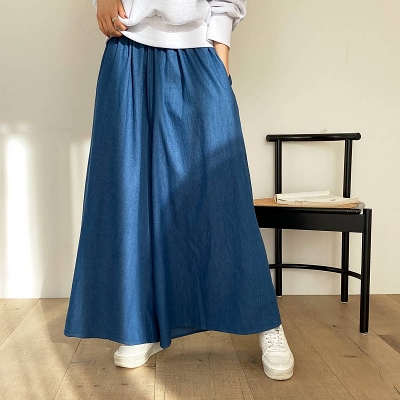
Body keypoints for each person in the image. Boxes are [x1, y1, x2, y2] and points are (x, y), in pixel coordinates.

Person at [64, 0, 294, 381]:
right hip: (128, 49)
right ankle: (141, 325)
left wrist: (220, 60)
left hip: (198, 50)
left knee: (225, 198)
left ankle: (266, 320)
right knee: (131, 197)